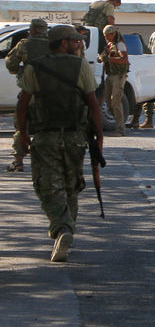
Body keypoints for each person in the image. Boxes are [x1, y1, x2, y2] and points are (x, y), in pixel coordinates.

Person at [13, 25, 104, 262]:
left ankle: (62, 229)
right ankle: (66, 231)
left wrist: (22, 133)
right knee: (71, 185)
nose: (78, 45)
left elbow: (23, 103)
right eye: (75, 41)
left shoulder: (35, 66)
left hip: (45, 136)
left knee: (47, 187)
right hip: (76, 137)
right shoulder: (80, 66)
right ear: (63, 42)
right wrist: (99, 139)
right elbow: (92, 104)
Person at [5, 18, 51, 172]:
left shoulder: (24, 44)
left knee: (21, 124)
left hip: (28, 91)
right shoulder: (54, 45)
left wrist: (21, 71)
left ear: (32, 30)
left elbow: (11, 63)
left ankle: (18, 161)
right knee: (46, 127)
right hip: (50, 93)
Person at [100, 25, 130, 136]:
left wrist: (110, 59)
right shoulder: (110, 45)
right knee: (109, 103)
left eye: (109, 35)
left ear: (113, 34)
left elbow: (124, 59)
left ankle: (121, 129)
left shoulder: (120, 44)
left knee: (115, 101)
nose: (107, 37)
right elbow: (101, 58)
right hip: (110, 75)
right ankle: (119, 122)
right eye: (105, 36)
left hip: (119, 76)